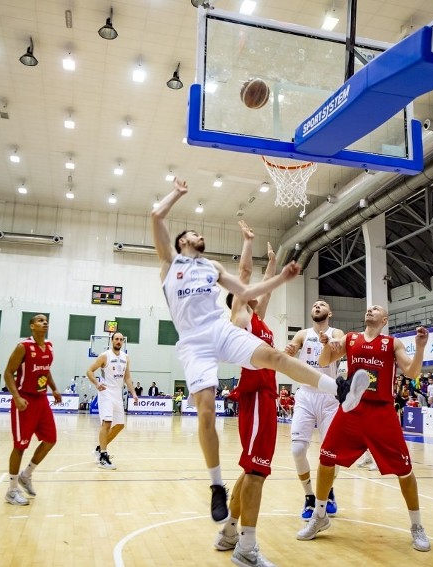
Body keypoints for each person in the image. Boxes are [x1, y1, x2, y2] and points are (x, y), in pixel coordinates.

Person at [150, 178, 358, 524]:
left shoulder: (211, 268)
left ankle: (337, 388)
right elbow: (156, 216)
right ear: (183, 241)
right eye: (193, 234)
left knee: (276, 357)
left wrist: (281, 278)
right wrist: (178, 192)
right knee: (205, 411)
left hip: (219, 329)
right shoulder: (169, 263)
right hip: (193, 341)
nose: (201, 237)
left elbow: (247, 286)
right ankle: (217, 485)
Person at [297, 305, 432, 553]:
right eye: (368, 308)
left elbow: (412, 371)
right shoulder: (350, 338)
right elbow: (324, 360)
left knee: (404, 470)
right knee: (326, 459)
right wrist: (327, 344)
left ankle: (417, 527)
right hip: (351, 410)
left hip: (382, 413)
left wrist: (420, 347)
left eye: (376, 309)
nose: (370, 309)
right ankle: (319, 515)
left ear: (385, 319)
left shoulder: (392, 343)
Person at [214, 220, 279, 566]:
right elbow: (243, 272)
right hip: (254, 399)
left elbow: (266, 291)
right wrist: (248, 241)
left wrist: (272, 264)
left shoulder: (260, 321)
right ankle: (246, 548)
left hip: (267, 399)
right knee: (256, 473)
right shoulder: (239, 316)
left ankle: (228, 531)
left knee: (252, 469)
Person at [284, 299, 344, 519]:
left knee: (331, 455)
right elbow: (289, 353)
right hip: (306, 396)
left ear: (330, 312)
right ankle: (310, 496)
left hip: (329, 398)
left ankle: (327, 492)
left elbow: (339, 342)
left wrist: (330, 341)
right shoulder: (302, 334)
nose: (317, 306)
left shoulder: (337, 332)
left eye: (322, 304)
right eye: (314, 305)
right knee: (298, 450)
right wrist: (289, 350)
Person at [2, 314, 62, 505]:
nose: (44, 323)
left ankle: (26, 475)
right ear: (31, 326)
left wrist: (54, 388)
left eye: (45, 320)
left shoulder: (50, 346)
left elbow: (46, 369)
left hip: (41, 399)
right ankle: (11, 490)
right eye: (39, 320)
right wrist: (17, 397)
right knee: (20, 446)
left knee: (51, 439)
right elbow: (8, 373)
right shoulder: (23, 347)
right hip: (24, 400)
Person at [86, 331, 138, 470]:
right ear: (112, 340)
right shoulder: (104, 356)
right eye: (116, 339)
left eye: (121, 339)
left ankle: (99, 449)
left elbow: (127, 377)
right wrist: (97, 384)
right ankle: (103, 456)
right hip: (105, 392)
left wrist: (133, 393)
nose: (119, 341)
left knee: (120, 425)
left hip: (118, 394)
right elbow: (89, 371)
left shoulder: (126, 357)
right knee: (107, 422)